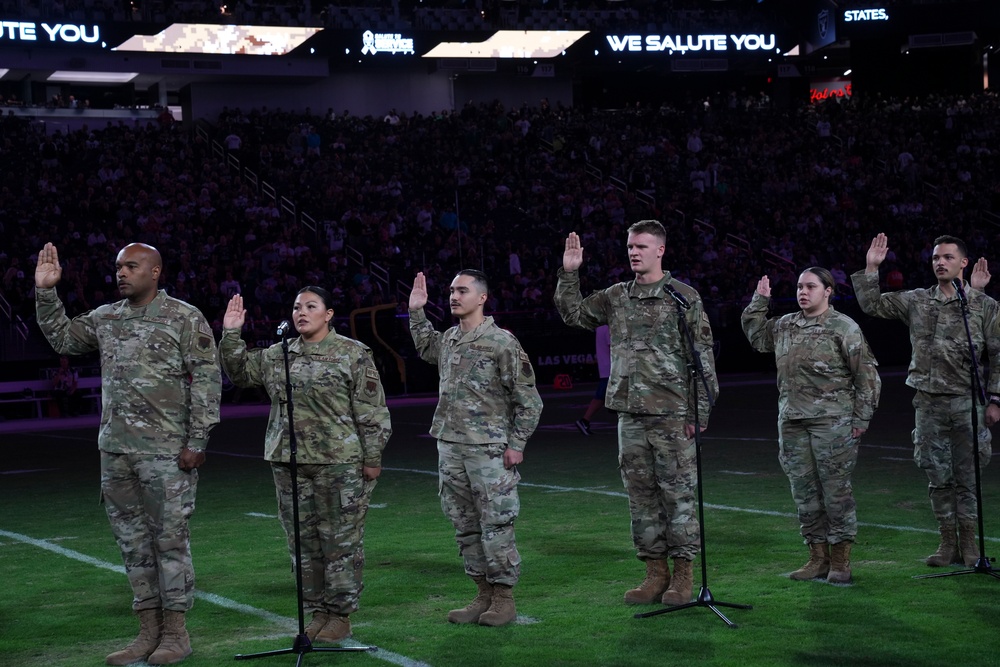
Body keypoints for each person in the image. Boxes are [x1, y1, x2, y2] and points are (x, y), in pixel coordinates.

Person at [34, 242, 220, 666]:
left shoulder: (183, 317)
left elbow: (206, 380)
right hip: (115, 452)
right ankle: (147, 632)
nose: (121, 273)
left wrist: (197, 442)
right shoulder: (106, 317)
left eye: (131, 266)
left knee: (169, 542)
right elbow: (63, 339)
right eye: (118, 267)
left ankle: (176, 634)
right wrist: (47, 293)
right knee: (132, 546)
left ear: (155, 272)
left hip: (166, 452)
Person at [554, 221, 719, 607]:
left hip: (673, 414)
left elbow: (703, 359)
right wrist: (570, 273)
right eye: (630, 246)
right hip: (630, 415)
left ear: (660, 250)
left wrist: (700, 413)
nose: (633, 252)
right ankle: (654, 573)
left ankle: (682, 576)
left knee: (678, 497)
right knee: (640, 498)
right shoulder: (615, 296)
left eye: (641, 246)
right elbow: (574, 315)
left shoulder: (683, 297)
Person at [218, 288, 391, 643]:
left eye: (311, 306)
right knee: (303, 544)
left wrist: (372, 458)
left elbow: (372, 411)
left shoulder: (351, 354)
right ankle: (318, 612)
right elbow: (239, 374)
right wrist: (231, 334)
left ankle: (340, 616)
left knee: (340, 543)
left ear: (329, 314)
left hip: (339, 463)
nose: (302, 312)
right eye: (297, 306)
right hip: (289, 462)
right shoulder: (278, 354)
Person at [853, 234, 999, 568]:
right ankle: (948, 543)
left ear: (963, 262)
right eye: (936, 258)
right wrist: (871, 268)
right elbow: (872, 305)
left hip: (968, 403)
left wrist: (995, 400)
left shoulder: (983, 305)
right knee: (937, 474)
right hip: (929, 403)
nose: (940, 263)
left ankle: (971, 546)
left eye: (947, 257)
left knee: (969, 476)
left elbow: (998, 354)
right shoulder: (917, 300)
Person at [408, 269, 542, 627]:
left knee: (496, 524)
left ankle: (503, 599)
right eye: (451, 290)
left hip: (488, 450)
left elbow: (529, 400)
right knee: (464, 526)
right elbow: (425, 346)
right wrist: (417, 311)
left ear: (482, 298)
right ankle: (481, 594)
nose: (454, 296)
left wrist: (517, 443)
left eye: (462, 290)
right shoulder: (450, 338)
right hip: (451, 447)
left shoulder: (502, 343)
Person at [741, 269, 882, 584]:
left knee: (836, 493)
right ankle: (817, 557)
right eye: (799, 286)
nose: (803, 292)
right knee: (804, 494)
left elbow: (867, 377)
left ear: (828, 290)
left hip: (833, 423)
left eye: (811, 286)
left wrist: (860, 419)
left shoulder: (843, 327)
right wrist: (760, 301)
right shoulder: (786, 325)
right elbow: (756, 336)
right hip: (792, 422)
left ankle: (841, 561)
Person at [576, 324, 611, 435]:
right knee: (601, 397)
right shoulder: (608, 327)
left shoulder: (601, 327)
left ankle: (585, 420)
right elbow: (613, 347)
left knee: (601, 396)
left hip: (607, 367)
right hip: (612, 368)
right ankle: (584, 420)